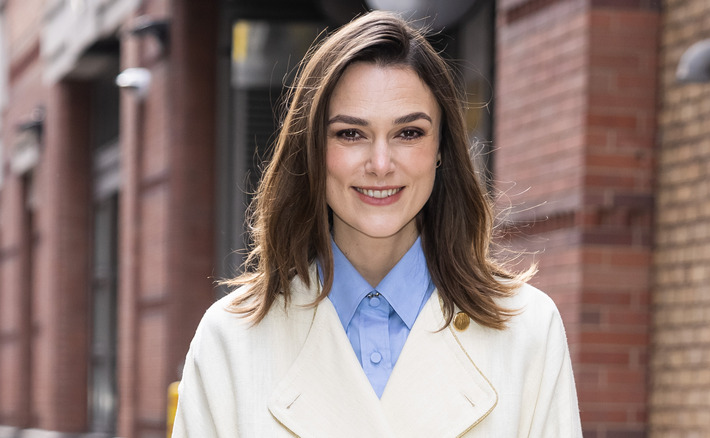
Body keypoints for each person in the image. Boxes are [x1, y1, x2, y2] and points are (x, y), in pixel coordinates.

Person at [172, 10, 582, 438]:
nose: (381, 164)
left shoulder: (528, 331)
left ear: (441, 149)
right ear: (313, 150)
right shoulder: (230, 343)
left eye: (409, 133)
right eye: (351, 134)